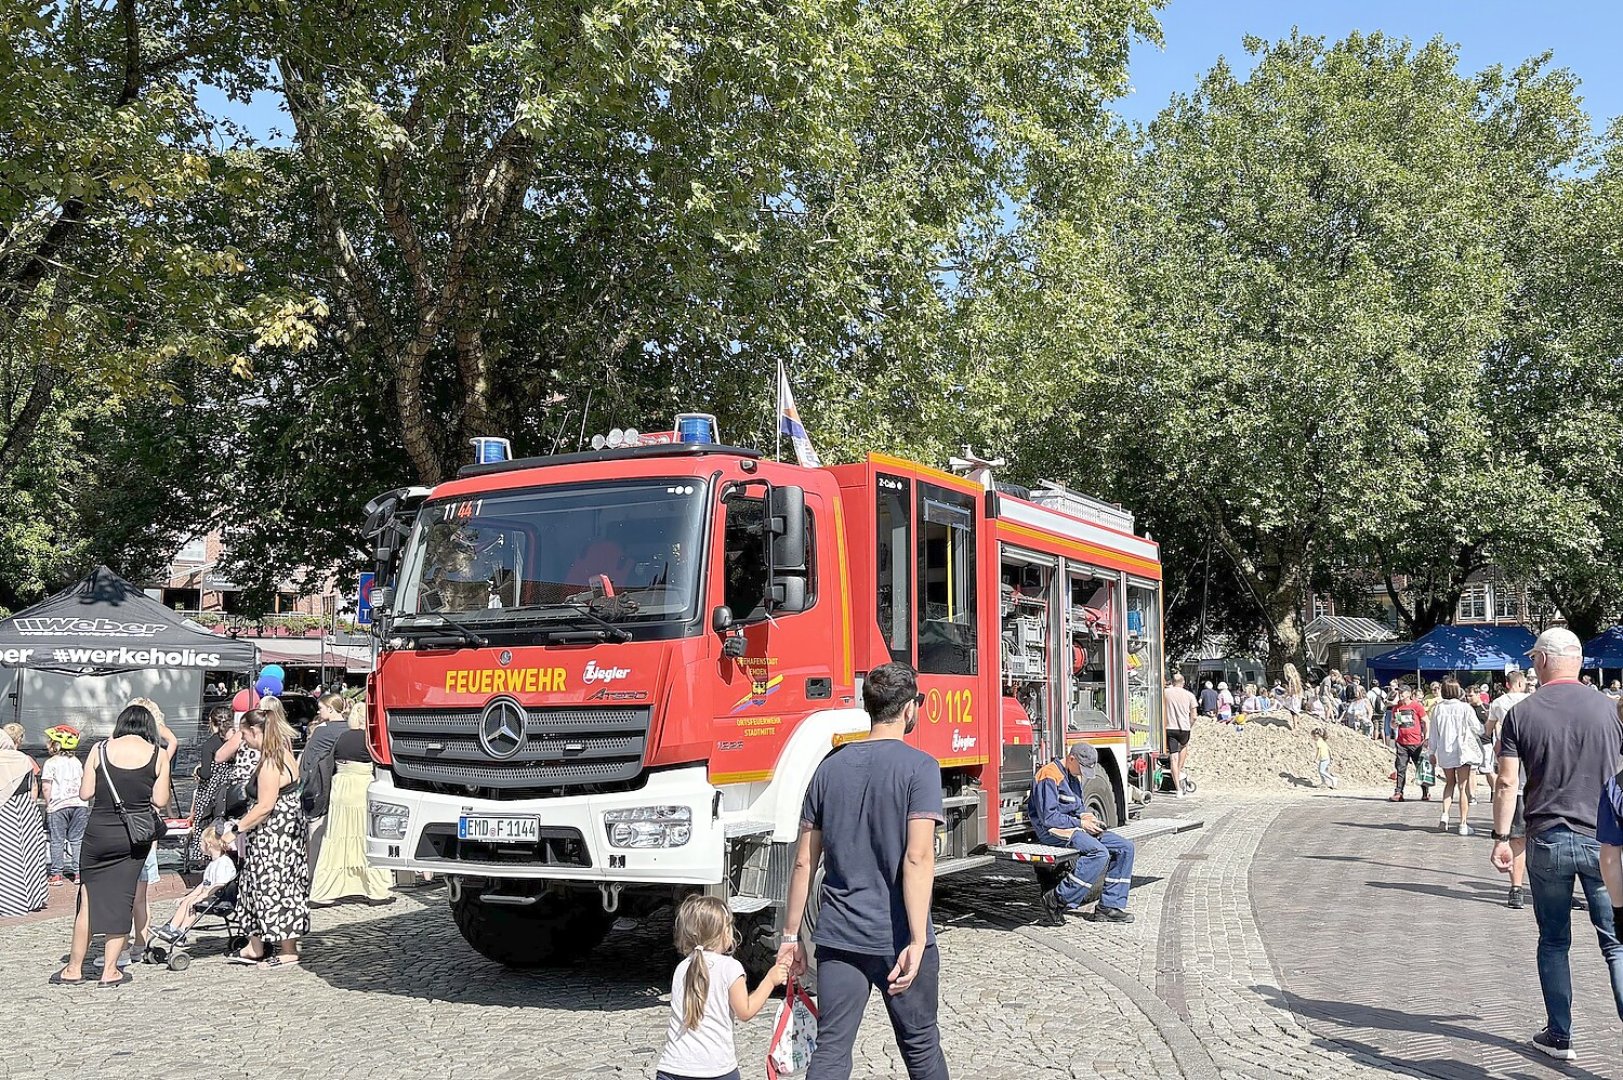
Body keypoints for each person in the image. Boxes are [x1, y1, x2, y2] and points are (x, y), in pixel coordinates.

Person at [777, 662, 949, 1080]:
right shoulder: (920, 767)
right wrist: (918, 938)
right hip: (897, 938)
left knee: (832, 1048)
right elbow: (917, 858)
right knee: (921, 1045)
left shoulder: (829, 768)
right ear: (909, 708)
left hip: (839, 936)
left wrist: (790, 937)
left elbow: (804, 861)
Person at [1489, 628, 1623, 1062]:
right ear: (1579, 660)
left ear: (1544, 660)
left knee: (1553, 940)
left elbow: (1508, 781)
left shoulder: (1521, 713)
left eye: (1533, 658)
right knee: (1616, 942)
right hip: (1603, 839)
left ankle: (1560, 1034)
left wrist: (1502, 837)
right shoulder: (1609, 710)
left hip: (1547, 839)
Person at [54, 703, 171, 986]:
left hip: (98, 833)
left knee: (87, 900)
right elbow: (161, 800)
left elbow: (86, 792)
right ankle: (110, 970)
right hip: (132, 838)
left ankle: (73, 969)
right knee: (122, 899)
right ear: (149, 727)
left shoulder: (99, 749)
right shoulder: (158, 754)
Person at [655, 894, 789, 1080]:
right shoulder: (730, 967)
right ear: (723, 933)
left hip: (673, 1066)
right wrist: (769, 981)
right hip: (716, 1068)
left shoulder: (682, 967)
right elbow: (745, 1011)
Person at [222, 707, 310, 968]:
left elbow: (265, 806)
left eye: (244, 734)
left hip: (273, 836)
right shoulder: (284, 752)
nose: (243, 740)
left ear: (255, 732)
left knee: (273, 887)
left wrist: (235, 830)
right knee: (270, 886)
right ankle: (256, 945)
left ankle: (286, 950)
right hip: (285, 834)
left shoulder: (271, 762)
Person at [1028, 743, 1136, 924]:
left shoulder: (1072, 775)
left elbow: (1078, 807)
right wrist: (1081, 823)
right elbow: (1048, 817)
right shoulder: (1049, 775)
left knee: (1126, 848)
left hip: (1074, 828)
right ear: (1071, 759)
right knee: (1099, 853)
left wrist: (1089, 818)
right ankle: (1057, 899)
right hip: (1053, 831)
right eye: (1082, 768)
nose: (1082, 773)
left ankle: (1109, 907)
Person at [309, 702, 394, 904]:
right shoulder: (370, 740)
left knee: (336, 839)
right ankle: (376, 891)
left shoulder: (343, 737)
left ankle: (324, 892)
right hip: (361, 788)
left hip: (340, 788)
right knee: (366, 837)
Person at [1487, 670, 1532, 907]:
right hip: (1543, 786)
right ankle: (1562, 890)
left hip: (1517, 784)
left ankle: (1516, 888)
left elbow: (1489, 731)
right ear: (1522, 683)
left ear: (1507, 684)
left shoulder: (1499, 704)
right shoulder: (1535, 703)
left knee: (1517, 838)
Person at [154, 825, 237, 942]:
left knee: (191, 904)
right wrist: (188, 896)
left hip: (220, 899)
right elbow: (204, 884)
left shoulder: (224, 863)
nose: (199, 845)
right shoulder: (213, 862)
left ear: (209, 844)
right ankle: (171, 928)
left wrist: (201, 896)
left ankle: (180, 931)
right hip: (210, 896)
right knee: (188, 901)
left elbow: (219, 884)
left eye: (201, 843)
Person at [298, 692, 350, 877]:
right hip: (344, 784)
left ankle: (314, 876)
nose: (319, 712)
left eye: (320, 708)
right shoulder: (350, 728)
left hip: (321, 786)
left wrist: (301, 788)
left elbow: (307, 762)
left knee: (317, 835)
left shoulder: (322, 730)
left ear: (330, 708)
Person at [187, 706, 244, 866]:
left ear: (211, 723)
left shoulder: (210, 744)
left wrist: (198, 769)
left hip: (209, 794)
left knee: (203, 824)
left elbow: (205, 773)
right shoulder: (235, 742)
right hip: (229, 792)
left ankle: (205, 859)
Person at [0, 728, 48, 916]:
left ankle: (10, 902)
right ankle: (32, 898)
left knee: (7, 859)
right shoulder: (22, 759)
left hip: (5, 814)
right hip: (25, 811)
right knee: (27, 857)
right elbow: (32, 786)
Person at [1430, 679, 1485, 836]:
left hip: (1444, 751)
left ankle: (1444, 815)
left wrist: (1431, 752)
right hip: (1462, 751)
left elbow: (1433, 733)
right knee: (1463, 787)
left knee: (1449, 783)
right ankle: (1462, 824)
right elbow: (1477, 728)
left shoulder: (1438, 709)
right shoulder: (1465, 708)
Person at [41, 725, 88, 886]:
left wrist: (49, 804)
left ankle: (56, 874)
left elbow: (47, 786)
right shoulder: (76, 762)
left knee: (57, 840)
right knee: (77, 839)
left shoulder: (50, 763)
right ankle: (78, 872)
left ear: (55, 745)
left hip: (58, 805)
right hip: (79, 804)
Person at [1389, 688, 1431, 802]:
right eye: (1399, 693)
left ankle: (1425, 792)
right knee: (1400, 768)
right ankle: (1398, 792)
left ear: (1408, 694)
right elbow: (1392, 725)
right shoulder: (1396, 708)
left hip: (1416, 742)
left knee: (1420, 768)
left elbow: (1426, 721)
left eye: (1403, 692)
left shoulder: (1416, 706)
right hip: (1402, 742)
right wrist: (1394, 723)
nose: (1401, 695)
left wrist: (1426, 737)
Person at [1163, 674, 1197, 798]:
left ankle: (1178, 789)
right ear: (1183, 682)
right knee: (1183, 747)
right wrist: (1190, 725)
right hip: (1184, 728)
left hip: (1170, 727)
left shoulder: (1166, 693)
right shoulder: (1189, 695)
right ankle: (1180, 771)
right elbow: (1194, 716)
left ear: (1172, 681)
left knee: (1173, 757)